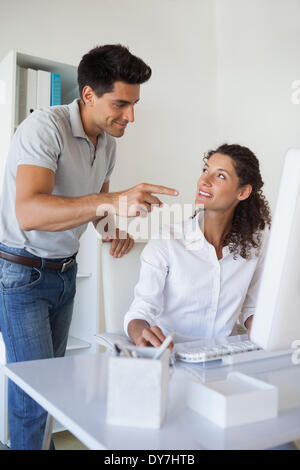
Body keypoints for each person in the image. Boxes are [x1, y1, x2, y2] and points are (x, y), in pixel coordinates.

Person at [0, 44, 178, 450]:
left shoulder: (108, 144)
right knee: (34, 396)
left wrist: (112, 227)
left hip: (64, 273)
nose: (130, 116)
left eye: (134, 105)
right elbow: (29, 211)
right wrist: (112, 202)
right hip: (21, 275)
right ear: (88, 96)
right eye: (121, 104)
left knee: (50, 386)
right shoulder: (44, 128)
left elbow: (93, 208)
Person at [124, 144, 271, 350]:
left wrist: (262, 328)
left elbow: (252, 306)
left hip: (226, 358)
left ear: (243, 192)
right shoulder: (168, 240)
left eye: (220, 176)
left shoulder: (256, 244)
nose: (204, 180)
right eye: (205, 170)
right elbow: (141, 311)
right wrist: (141, 333)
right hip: (172, 355)